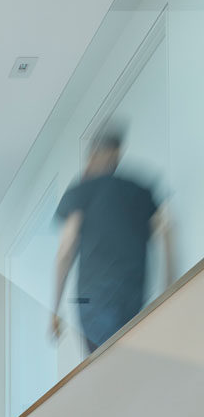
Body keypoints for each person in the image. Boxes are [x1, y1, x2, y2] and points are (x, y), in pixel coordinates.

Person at [50, 129, 172, 353]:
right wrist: (170, 292)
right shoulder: (140, 191)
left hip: (92, 297)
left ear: (93, 155)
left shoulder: (81, 191)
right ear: (118, 155)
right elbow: (165, 231)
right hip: (134, 293)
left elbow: (66, 250)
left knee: (104, 365)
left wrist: (54, 309)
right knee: (126, 362)